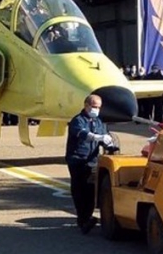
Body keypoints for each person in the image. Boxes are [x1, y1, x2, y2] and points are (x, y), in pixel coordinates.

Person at [65, 94, 114, 235]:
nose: (96, 110)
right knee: (79, 190)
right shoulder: (78, 120)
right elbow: (82, 134)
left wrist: (109, 143)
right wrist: (98, 137)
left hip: (92, 161)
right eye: (93, 107)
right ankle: (83, 220)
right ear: (86, 105)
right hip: (77, 160)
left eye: (98, 107)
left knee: (91, 190)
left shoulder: (99, 122)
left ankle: (87, 218)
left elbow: (105, 137)